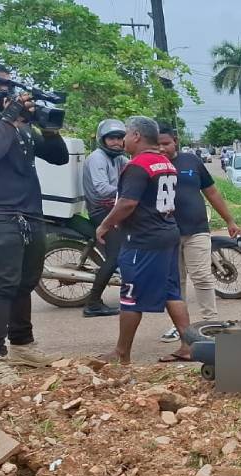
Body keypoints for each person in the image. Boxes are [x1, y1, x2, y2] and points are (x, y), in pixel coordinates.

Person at [0, 59, 68, 386]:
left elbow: (57, 157)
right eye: (1, 85)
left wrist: (46, 125)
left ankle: (22, 346)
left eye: (11, 84)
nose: (9, 91)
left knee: (25, 282)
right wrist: (9, 119)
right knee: (1, 284)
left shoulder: (16, 123)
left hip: (30, 212)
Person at [93, 116, 192, 364]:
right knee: (172, 292)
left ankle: (121, 353)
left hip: (143, 239)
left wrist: (105, 224)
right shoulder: (165, 163)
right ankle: (188, 346)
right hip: (167, 232)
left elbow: (128, 203)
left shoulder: (138, 166)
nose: (123, 139)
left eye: (126, 134)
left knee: (130, 296)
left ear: (136, 136)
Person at [155, 126, 241, 342]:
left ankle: (210, 323)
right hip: (166, 233)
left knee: (202, 277)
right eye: (157, 144)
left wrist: (229, 220)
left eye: (165, 143)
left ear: (175, 141)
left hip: (197, 230)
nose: (162, 148)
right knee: (175, 282)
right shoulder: (153, 165)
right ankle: (180, 327)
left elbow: (211, 191)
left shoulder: (191, 162)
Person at [80, 118, 128, 317]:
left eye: (119, 138)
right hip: (101, 211)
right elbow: (101, 189)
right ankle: (93, 303)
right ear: (103, 139)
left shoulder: (118, 158)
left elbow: (134, 167)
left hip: (114, 208)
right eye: (112, 138)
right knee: (115, 255)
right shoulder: (98, 158)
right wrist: (128, 191)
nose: (116, 142)